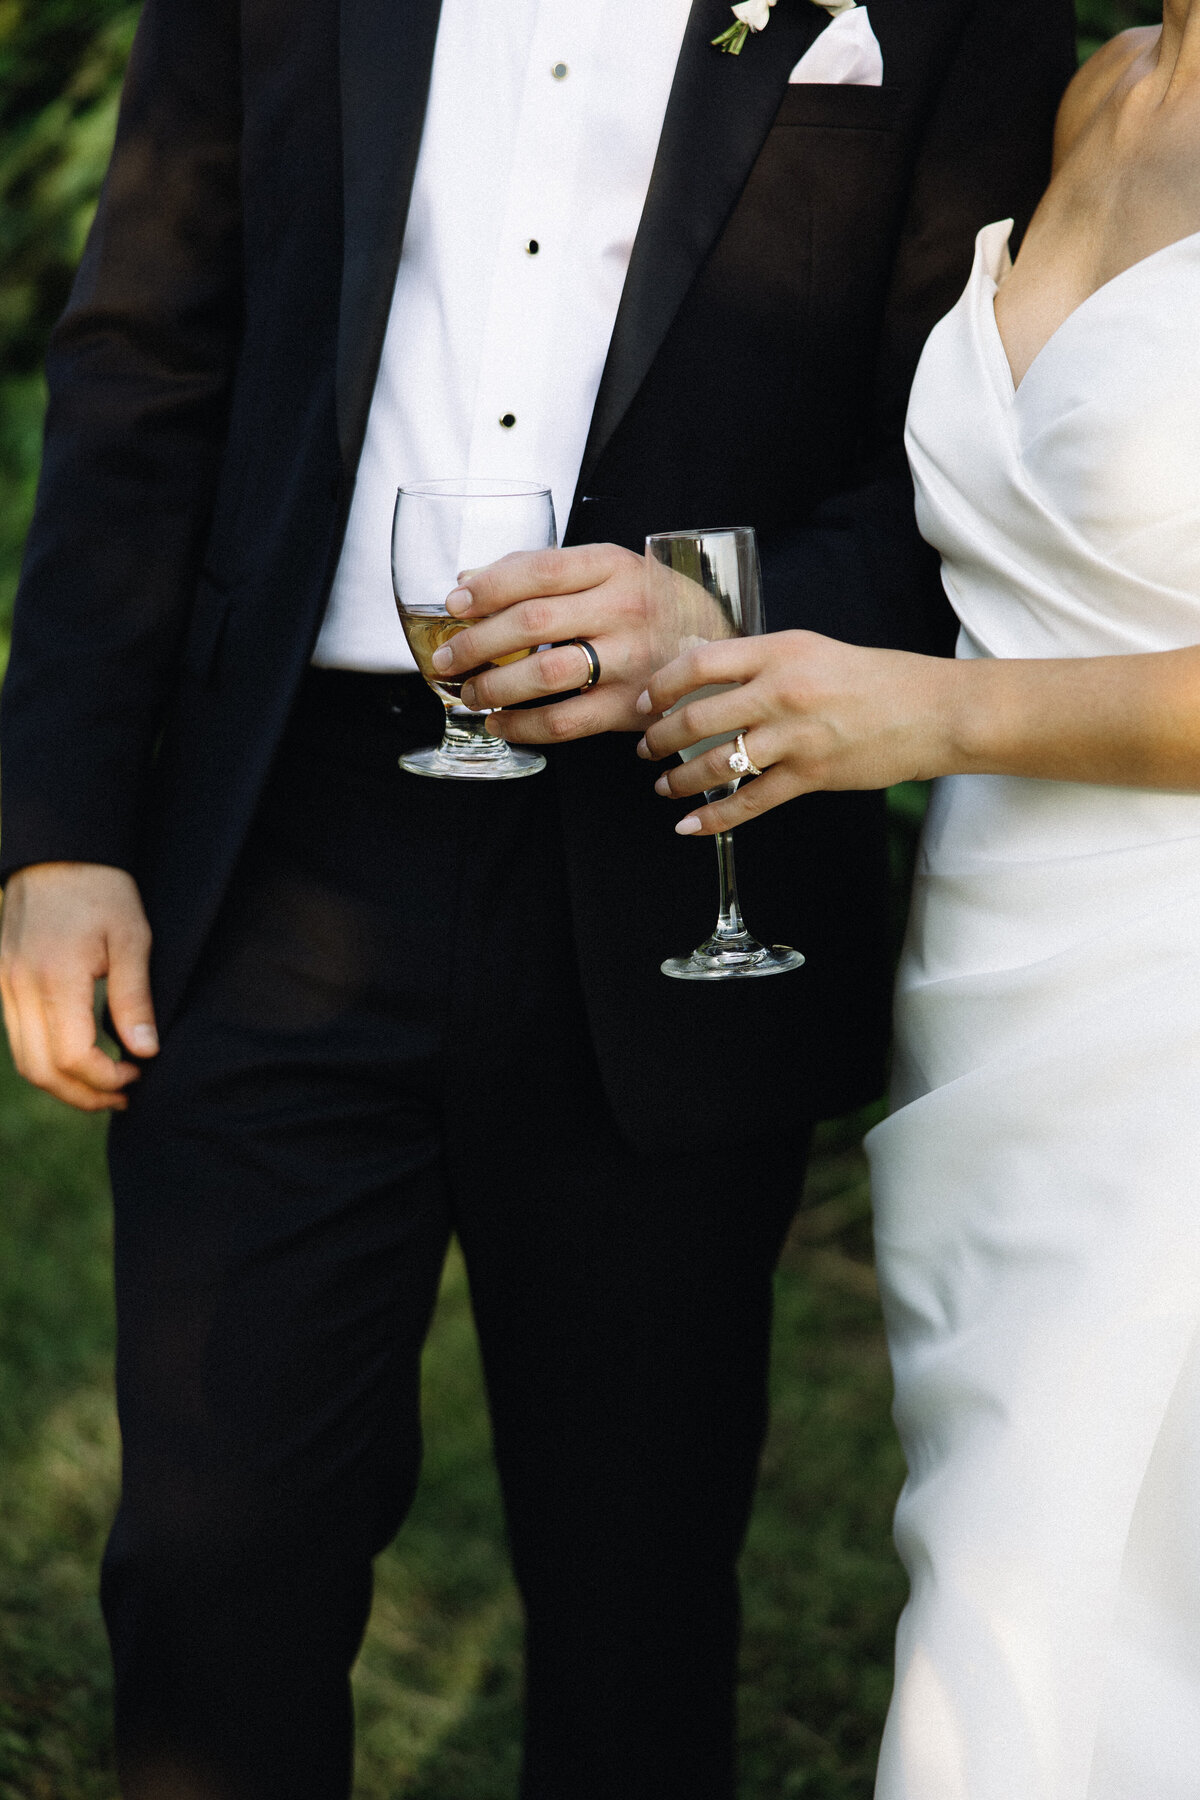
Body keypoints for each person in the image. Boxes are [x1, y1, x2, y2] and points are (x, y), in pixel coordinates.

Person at [0, 2, 1073, 1796]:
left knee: (638, 1585)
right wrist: (61, 829)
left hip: (696, 838)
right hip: (287, 837)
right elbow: (143, 357)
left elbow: (963, 474)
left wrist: (719, 605)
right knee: (212, 1557)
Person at [639, 5, 1200, 1794]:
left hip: (1171, 1013)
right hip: (993, 994)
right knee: (1024, 1576)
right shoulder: (1101, 83)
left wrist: (934, 714)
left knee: (1044, 1620)